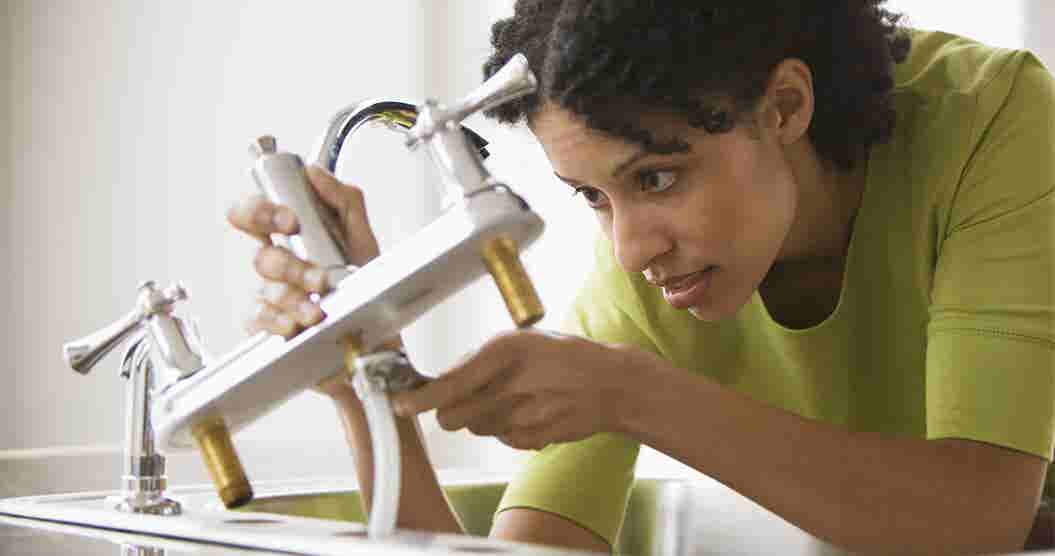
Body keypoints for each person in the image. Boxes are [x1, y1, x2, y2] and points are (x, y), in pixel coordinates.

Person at [227, 1, 1054, 554]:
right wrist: (362, 374)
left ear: (784, 106)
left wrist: (633, 393)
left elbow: (978, 517)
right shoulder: (656, 274)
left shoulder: (994, 123)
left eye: (656, 177)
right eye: (591, 196)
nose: (628, 250)